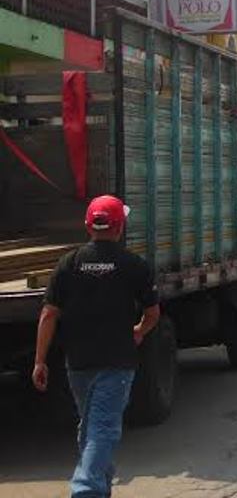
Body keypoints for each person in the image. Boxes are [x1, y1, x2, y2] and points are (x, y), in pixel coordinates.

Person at [33, 195, 160, 497]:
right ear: (120, 227)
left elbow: (49, 314)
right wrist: (139, 330)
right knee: (102, 429)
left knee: (90, 428)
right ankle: (86, 490)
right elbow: (153, 313)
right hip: (117, 363)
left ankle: (99, 490)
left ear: (88, 226)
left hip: (78, 364)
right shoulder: (134, 265)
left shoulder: (69, 263)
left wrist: (40, 360)